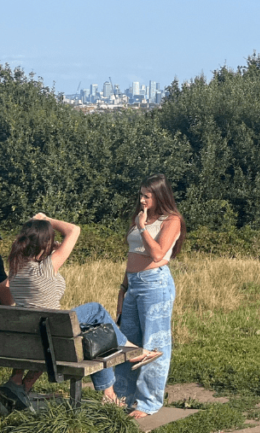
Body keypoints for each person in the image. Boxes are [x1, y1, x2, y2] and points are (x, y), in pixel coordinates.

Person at [1, 215, 159, 411]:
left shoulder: (16, 269)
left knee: (91, 330)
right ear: (44, 242)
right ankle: (132, 351)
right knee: (96, 310)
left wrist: (49, 248)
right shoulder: (47, 268)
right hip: (53, 336)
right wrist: (47, 219)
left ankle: (108, 394)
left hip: (39, 338)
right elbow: (74, 230)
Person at [114, 174, 185, 419]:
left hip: (155, 283)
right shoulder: (140, 217)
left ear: (160, 195)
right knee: (128, 341)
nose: (142, 199)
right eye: (141, 194)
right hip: (133, 284)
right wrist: (123, 289)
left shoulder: (171, 220)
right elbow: (132, 254)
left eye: (147, 195)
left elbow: (157, 254)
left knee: (154, 343)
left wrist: (143, 227)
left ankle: (148, 402)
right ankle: (122, 396)